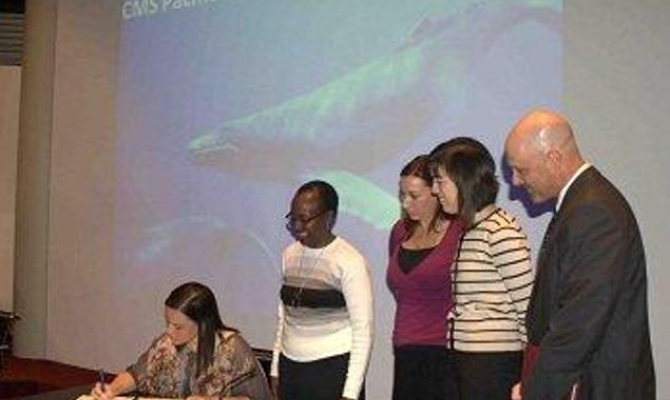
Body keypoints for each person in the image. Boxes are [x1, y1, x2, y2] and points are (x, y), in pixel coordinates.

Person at [505, 109, 655, 400]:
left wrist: (535, 391)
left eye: (522, 170)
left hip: (599, 386)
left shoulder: (594, 211)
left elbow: (580, 320)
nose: (516, 181)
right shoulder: (583, 203)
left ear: (553, 158)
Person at [428, 137, 534, 400]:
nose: (435, 190)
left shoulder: (501, 231)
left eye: (440, 181)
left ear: (464, 180)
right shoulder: (471, 229)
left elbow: (527, 308)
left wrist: (530, 373)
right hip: (465, 359)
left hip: (492, 363)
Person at [270, 180, 374, 400]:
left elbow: (363, 330)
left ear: (329, 218)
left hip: (331, 371)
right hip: (291, 368)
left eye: (305, 219)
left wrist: (350, 393)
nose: (297, 226)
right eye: (293, 218)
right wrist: (276, 369)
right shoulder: (289, 254)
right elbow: (283, 318)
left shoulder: (349, 260)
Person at [91, 282, 272, 400]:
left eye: (178, 327)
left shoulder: (232, 349)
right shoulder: (165, 344)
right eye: (168, 323)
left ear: (203, 324)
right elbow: (136, 374)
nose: (168, 332)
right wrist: (112, 389)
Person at [386, 155, 462, 400]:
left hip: (446, 353)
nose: (406, 202)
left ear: (436, 192)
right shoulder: (399, 232)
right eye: (402, 195)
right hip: (406, 351)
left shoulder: (459, 231)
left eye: (414, 195)